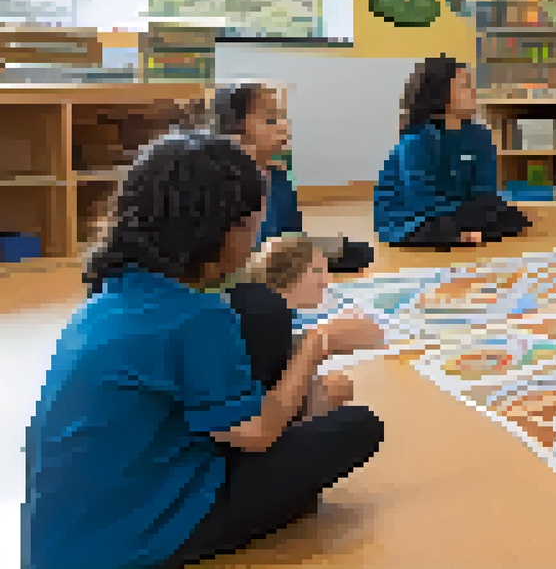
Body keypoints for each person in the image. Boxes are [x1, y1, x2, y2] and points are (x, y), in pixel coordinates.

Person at [23, 131, 386, 569]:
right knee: (358, 426)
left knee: (287, 365)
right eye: (252, 225)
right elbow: (259, 434)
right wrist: (317, 344)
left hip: (65, 540)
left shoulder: (114, 291)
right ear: (226, 231)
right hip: (141, 539)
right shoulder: (193, 315)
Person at [213, 82, 375, 275]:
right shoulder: (228, 180)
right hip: (250, 262)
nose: (284, 126)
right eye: (270, 120)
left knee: (358, 251)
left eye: (282, 117)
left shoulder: (279, 177)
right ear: (236, 130)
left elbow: (292, 231)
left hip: (283, 253)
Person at [374, 55, 531, 248]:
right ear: (440, 93)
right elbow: (421, 199)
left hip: (460, 209)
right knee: (434, 228)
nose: (474, 91)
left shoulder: (480, 135)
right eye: (465, 85)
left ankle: (463, 233)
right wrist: (462, 216)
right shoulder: (417, 138)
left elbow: (486, 189)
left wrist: (475, 211)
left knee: (512, 217)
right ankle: (462, 233)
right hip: (411, 214)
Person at [229, 235, 355, 421]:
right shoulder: (267, 319)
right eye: (317, 271)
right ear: (284, 277)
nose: (326, 282)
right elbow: (271, 413)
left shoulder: (257, 306)